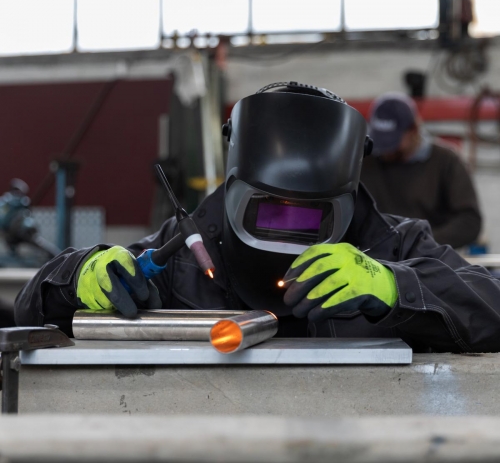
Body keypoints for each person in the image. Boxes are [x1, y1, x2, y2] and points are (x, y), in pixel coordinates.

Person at [14, 82, 500, 353]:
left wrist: (396, 287)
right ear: (235, 191)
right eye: (269, 210)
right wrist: (78, 275)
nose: (286, 233)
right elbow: (30, 310)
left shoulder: (393, 247)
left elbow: (492, 307)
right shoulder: (185, 255)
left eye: (311, 219)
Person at [360, 92, 482, 249]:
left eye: (393, 142)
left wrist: (420, 242)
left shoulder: (445, 161)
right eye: (381, 141)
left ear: (414, 129)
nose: (386, 151)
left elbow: (469, 222)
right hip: (375, 259)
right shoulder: (365, 161)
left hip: (431, 260)